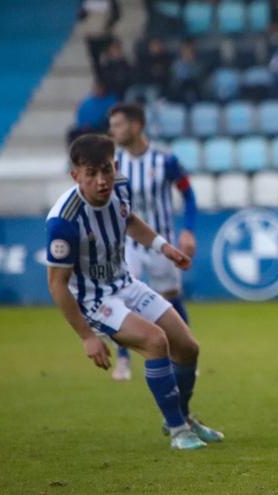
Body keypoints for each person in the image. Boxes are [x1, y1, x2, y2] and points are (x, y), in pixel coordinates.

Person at [45, 134, 222, 449]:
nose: (102, 181)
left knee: (188, 348)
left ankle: (182, 417)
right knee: (156, 342)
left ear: (114, 165)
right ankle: (179, 431)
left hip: (126, 284)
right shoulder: (64, 221)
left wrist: (163, 246)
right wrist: (87, 336)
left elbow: (130, 221)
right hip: (94, 301)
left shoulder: (121, 186)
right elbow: (56, 284)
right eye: (92, 174)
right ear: (76, 176)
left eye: (107, 170)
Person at [107, 103, 198, 381]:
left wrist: (188, 231)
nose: (114, 131)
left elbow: (189, 195)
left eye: (119, 125)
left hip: (163, 243)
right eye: (112, 126)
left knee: (171, 299)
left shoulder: (165, 161)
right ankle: (123, 361)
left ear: (136, 126)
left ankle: (184, 352)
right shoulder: (114, 165)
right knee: (122, 298)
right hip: (128, 245)